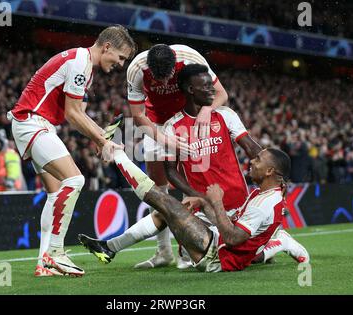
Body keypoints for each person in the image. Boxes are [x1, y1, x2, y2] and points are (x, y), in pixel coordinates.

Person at [7, 25, 136, 277]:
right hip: (32, 122)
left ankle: (44, 263)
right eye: (120, 57)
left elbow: (80, 114)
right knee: (75, 179)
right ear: (107, 47)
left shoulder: (83, 64)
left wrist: (102, 138)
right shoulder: (80, 62)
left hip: (32, 123)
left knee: (55, 194)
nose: (120, 64)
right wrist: (103, 141)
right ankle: (56, 253)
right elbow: (73, 114)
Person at [103, 64, 261, 269]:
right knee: (176, 222)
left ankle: (110, 246)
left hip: (241, 206)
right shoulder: (173, 125)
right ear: (190, 89)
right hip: (205, 211)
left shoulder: (224, 114)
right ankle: (112, 246)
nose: (213, 89)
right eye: (205, 86)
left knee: (256, 254)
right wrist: (198, 196)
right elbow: (170, 170)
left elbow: (250, 147)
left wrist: (275, 173)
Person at [79, 146, 310, 272]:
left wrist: (216, 202)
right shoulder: (266, 193)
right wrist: (205, 203)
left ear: (270, 171)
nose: (252, 161)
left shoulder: (265, 203)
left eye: (258, 159)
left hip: (217, 257)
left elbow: (232, 239)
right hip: (219, 243)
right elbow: (234, 234)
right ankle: (109, 247)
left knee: (162, 201)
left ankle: (118, 154)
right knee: (166, 211)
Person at [126, 43, 229, 268]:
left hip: (189, 122)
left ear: (175, 65)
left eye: (168, 77)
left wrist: (205, 111)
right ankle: (163, 252)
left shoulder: (190, 57)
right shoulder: (136, 69)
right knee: (156, 189)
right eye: (157, 79)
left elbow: (221, 94)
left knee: (188, 186)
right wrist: (165, 139)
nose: (163, 84)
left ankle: (189, 251)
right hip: (156, 124)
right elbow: (137, 116)